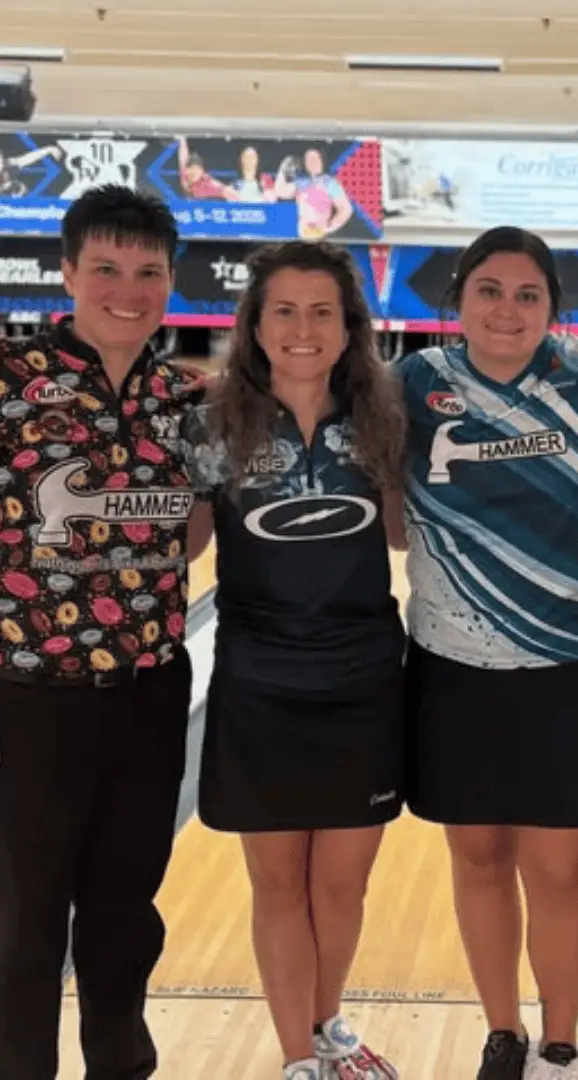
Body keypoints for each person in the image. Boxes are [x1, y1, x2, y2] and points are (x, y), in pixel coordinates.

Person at [390, 226, 578, 1080]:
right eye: (489, 289)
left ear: (553, 307)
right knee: (479, 858)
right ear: (458, 298)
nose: (507, 309)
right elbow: (387, 513)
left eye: (529, 294)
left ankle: (560, 1046)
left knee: (559, 873)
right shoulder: (409, 383)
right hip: (453, 665)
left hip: (573, 665)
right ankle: (504, 1034)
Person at [179, 240, 405, 1080]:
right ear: (255, 322)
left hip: (363, 682)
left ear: (349, 328)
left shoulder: (384, 420)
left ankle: (323, 1024)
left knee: (341, 888)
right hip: (259, 685)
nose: (302, 329)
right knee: (277, 885)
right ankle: (297, 1058)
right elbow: (186, 547)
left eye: (321, 312)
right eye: (284, 310)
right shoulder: (212, 424)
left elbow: (403, 535)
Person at [0, 184, 212, 1078]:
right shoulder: (10, 380)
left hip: (148, 694)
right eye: (106, 268)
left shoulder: (186, 398)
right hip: (28, 696)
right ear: (67, 273)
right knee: (22, 922)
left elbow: (194, 533)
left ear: (171, 281)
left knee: (125, 916)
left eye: (148, 272)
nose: (129, 290)